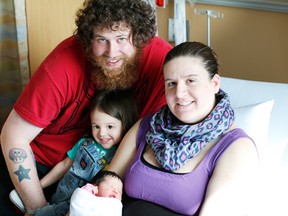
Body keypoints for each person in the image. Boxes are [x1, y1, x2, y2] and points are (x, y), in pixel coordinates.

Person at [0, 0, 172, 215]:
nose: (112, 52)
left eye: (121, 39)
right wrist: (37, 208)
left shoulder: (165, 64)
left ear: (140, 37)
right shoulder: (61, 65)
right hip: (40, 166)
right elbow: (14, 136)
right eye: (102, 39)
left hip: (106, 171)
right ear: (89, 39)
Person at [108, 41, 260, 216]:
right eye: (171, 83)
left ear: (215, 83)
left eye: (191, 81)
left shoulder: (235, 148)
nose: (179, 93)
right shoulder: (147, 126)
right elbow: (105, 186)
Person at [9, 89, 138, 215]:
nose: (101, 133)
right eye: (96, 126)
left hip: (82, 205)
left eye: (109, 126)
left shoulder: (120, 156)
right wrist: (38, 187)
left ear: (125, 124)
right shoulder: (85, 143)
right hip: (59, 196)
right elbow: (64, 165)